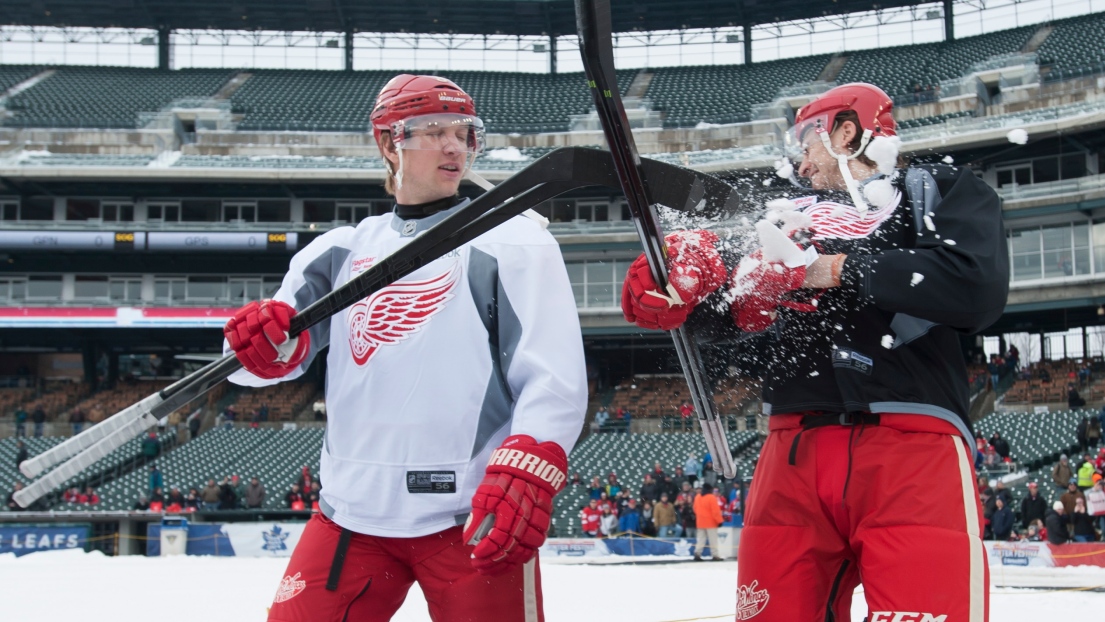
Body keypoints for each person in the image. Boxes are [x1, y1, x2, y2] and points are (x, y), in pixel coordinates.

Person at [620, 82, 1008, 619]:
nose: (801, 166)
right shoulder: (786, 215)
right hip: (792, 448)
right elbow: (727, 313)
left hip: (911, 441)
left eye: (807, 145)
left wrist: (833, 269)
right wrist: (678, 288)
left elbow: (975, 288)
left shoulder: (937, 187)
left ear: (845, 131)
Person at [224, 74, 586, 622]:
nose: (453, 146)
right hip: (349, 513)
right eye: (434, 131)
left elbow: (552, 374)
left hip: (469, 513)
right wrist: (259, 343)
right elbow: (260, 368)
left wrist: (529, 464)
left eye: (465, 133)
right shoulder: (337, 251)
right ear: (389, 142)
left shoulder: (515, 240)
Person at [693, 483, 723, 561]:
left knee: (700, 539)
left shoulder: (697, 497)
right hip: (711, 523)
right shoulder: (711, 497)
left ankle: (697, 553)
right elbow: (715, 511)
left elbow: (695, 509)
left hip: (700, 522)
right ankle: (715, 555)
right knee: (713, 540)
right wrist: (719, 521)